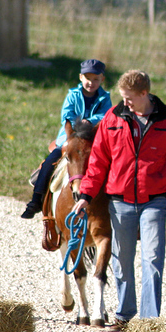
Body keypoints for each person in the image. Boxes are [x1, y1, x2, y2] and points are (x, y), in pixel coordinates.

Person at [70, 70, 166, 331]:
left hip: (154, 200)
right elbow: (98, 163)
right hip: (120, 200)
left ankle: (148, 323)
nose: (124, 102)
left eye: (129, 98)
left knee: (153, 259)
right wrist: (85, 196)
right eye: (122, 97)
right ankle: (125, 315)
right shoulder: (112, 119)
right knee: (121, 260)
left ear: (144, 94)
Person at [21, 59, 112, 219]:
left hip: (93, 137)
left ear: (102, 79)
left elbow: (106, 115)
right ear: (80, 77)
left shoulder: (105, 98)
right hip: (70, 135)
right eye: (88, 78)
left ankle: (114, 202)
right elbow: (66, 115)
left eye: (96, 79)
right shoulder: (73, 95)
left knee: (110, 163)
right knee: (51, 161)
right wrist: (77, 124)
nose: (91, 82)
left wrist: (90, 121)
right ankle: (36, 199)